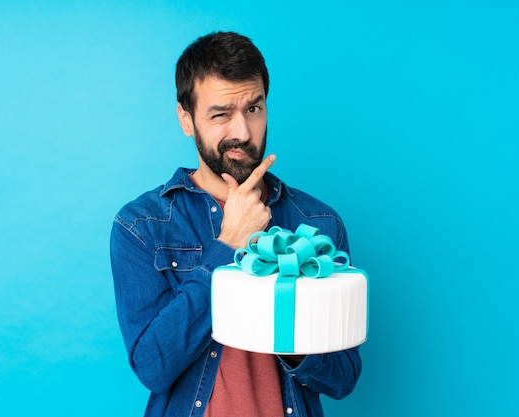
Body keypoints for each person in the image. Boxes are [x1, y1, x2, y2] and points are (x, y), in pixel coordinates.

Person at [110, 31, 362, 417]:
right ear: (186, 119)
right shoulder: (141, 225)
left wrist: (290, 331)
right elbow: (152, 367)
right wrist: (229, 244)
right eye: (221, 114)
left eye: (253, 109)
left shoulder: (320, 223)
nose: (242, 132)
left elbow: (343, 378)